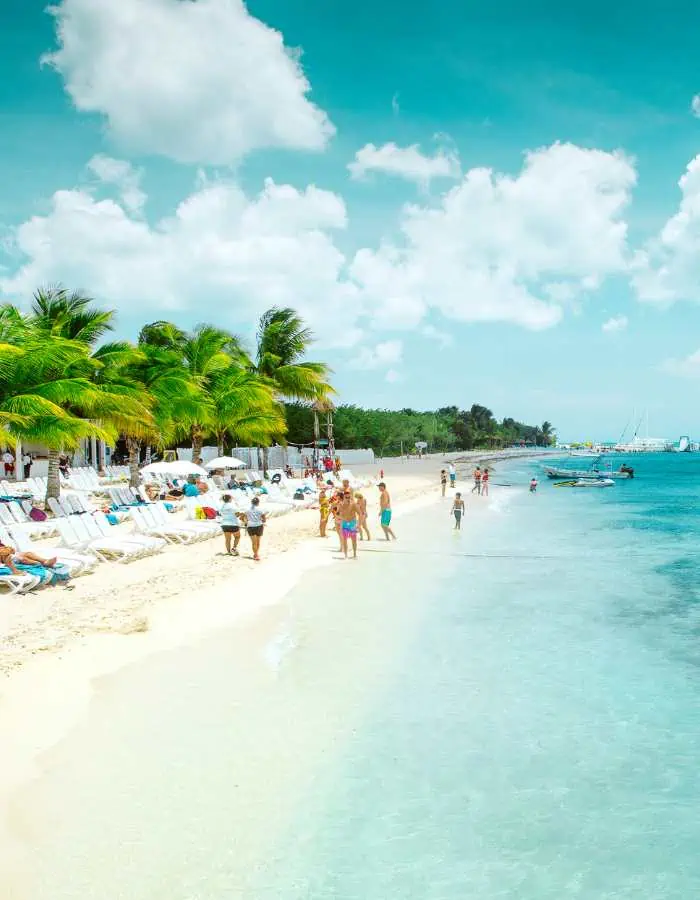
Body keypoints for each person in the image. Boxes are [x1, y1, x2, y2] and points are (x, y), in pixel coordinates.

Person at [338, 490, 359, 559]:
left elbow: (360, 514)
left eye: (349, 497)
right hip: (345, 523)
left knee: (354, 539)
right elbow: (338, 514)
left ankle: (355, 554)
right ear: (343, 497)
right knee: (345, 540)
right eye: (346, 497)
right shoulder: (341, 505)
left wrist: (358, 524)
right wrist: (341, 520)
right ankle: (346, 555)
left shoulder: (353, 504)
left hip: (352, 523)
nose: (348, 499)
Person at [245, 496, 266, 561]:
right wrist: (263, 521)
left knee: (253, 542)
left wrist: (246, 523)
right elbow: (264, 519)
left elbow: (245, 518)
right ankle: (256, 554)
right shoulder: (260, 510)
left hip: (250, 526)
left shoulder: (247, 510)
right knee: (258, 541)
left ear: (251, 502)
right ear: (258, 503)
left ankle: (255, 554)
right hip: (259, 526)